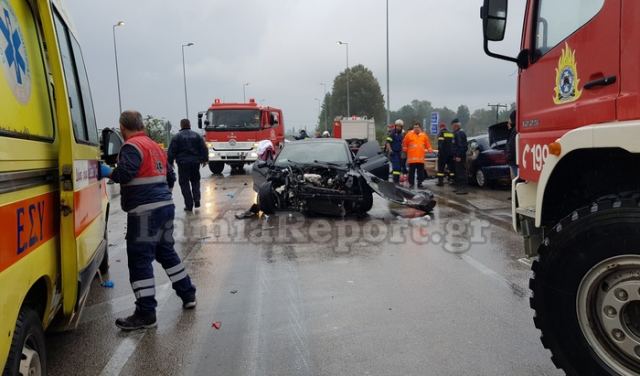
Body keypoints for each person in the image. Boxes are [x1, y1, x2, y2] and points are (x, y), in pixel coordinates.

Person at [99, 110, 196, 331]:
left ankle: (146, 313)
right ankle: (188, 293)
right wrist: (160, 195)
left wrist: (107, 172)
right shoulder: (155, 146)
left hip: (144, 213)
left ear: (122, 128)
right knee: (166, 252)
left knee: (140, 260)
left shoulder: (131, 147)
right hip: (164, 208)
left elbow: (125, 174)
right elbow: (170, 176)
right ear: (141, 125)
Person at [168, 119, 208, 212]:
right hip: (195, 163)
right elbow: (204, 148)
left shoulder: (176, 137)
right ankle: (197, 199)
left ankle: (189, 205)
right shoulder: (197, 135)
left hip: (183, 164)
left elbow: (171, 151)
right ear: (189, 125)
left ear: (181, 125)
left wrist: (170, 163)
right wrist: (204, 159)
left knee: (184, 183)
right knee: (195, 181)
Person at [402, 121, 433, 189]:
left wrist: (429, 148)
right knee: (411, 172)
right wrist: (405, 149)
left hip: (420, 158)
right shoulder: (409, 134)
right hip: (412, 158)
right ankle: (411, 183)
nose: (416, 129)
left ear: (420, 128)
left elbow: (427, 143)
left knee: (420, 172)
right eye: (415, 127)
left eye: (417, 127)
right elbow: (404, 142)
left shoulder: (423, 135)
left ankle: (420, 183)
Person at [451, 118, 469, 195]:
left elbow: (462, 146)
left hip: (460, 157)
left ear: (456, 125)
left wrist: (459, 156)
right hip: (457, 157)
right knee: (458, 173)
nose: (452, 127)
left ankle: (463, 189)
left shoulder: (460, 133)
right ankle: (459, 187)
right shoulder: (456, 133)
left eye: (453, 126)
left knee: (461, 173)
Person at [385, 119, 405, 184]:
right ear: (395, 126)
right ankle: (395, 181)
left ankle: (397, 180)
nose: (398, 127)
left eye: (400, 126)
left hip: (399, 153)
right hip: (394, 153)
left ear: (402, 127)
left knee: (399, 167)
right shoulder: (392, 133)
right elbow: (388, 142)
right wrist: (390, 150)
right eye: (397, 126)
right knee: (396, 167)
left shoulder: (402, 134)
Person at [436, 122, 455, 187]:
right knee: (451, 168)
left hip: (443, 154)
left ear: (440, 127)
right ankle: (452, 180)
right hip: (451, 154)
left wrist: (439, 153)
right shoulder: (450, 133)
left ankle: (440, 182)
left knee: (441, 168)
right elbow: (453, 143)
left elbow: (440, 145)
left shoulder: (441, 133)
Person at [506, 110, 518, 180]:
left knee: (516, 179)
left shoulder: (515, 131)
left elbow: (512, 146)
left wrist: (509, 157)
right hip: (513, 161)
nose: (508, 121)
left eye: (510, 118)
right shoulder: (513, 130)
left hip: (514, 161)